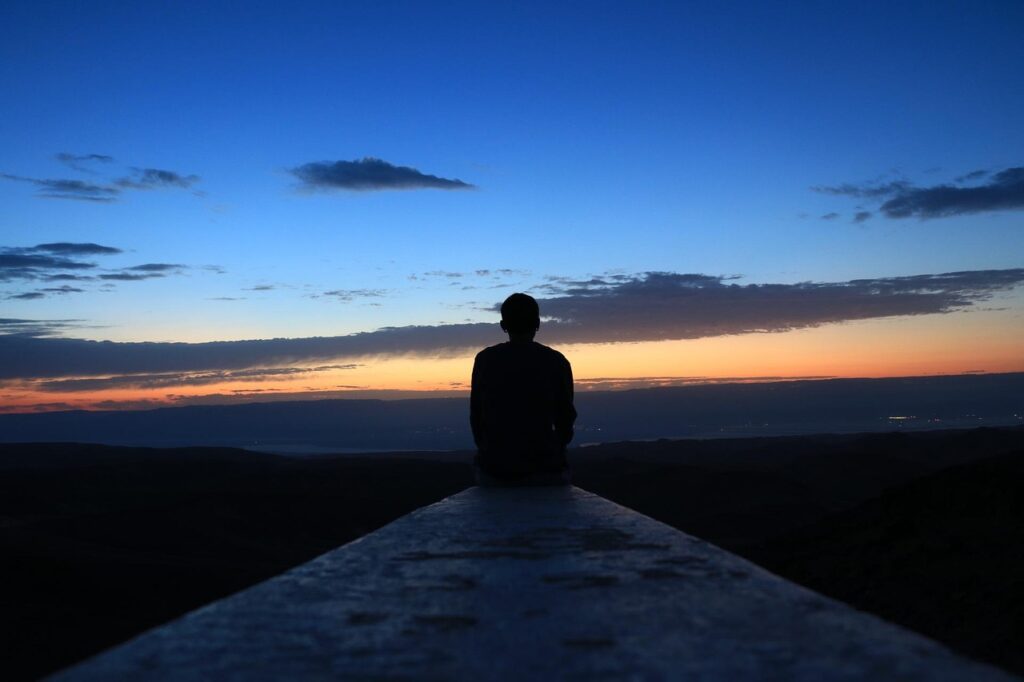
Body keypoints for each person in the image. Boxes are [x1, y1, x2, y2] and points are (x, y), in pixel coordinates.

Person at [470, 293, 576, 486]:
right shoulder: (556, 361)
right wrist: (555, 448)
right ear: (538, 323)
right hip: (546, 467)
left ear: (503, 326)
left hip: (495, 468)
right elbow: (566, 417)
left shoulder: (485, 360)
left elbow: (476, 415)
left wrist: (489, 450)